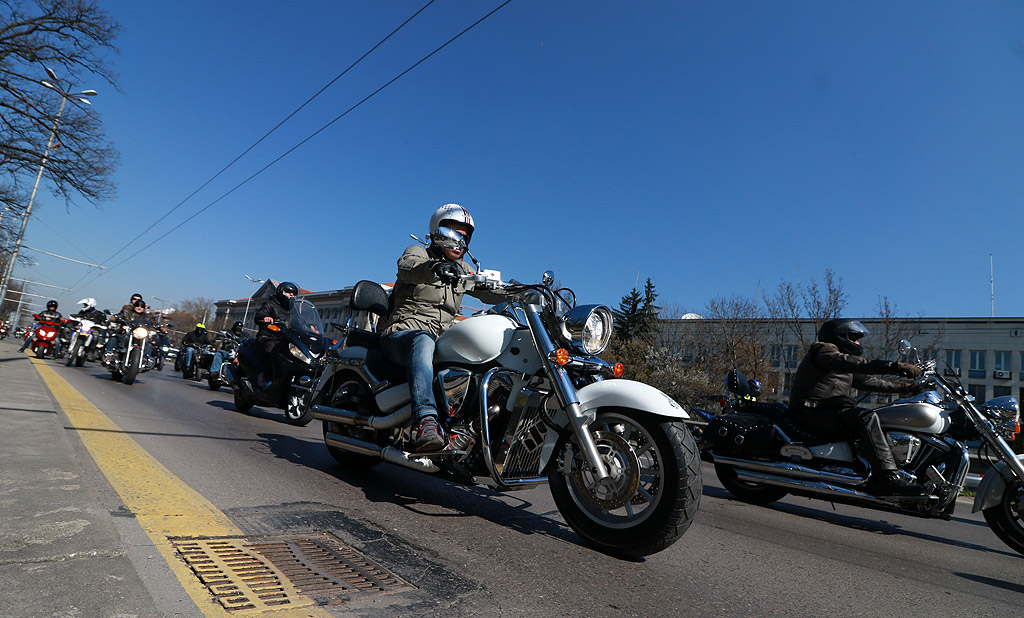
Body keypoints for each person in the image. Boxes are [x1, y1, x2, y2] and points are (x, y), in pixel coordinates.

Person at [379, 203, 505, 452]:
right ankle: (425, 423)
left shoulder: (464, 270)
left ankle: (470, 427)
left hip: (441, 340)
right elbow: (409, 266)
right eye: (454, 234)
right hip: (403, 334)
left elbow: (492, 291)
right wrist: (434, 268)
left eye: (465, 237)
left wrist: (522, 293)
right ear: (438, 233)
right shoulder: (419, 253)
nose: (460, 241)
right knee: (423, 340)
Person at [788, 318, 924, 495]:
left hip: (823, 412)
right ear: (839, 337)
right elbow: (855, 363)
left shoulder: (841, 365)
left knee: (875, 416)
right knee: (865, 417)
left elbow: (871, 382)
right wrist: (894, 366)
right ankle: (887, 478)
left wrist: (907, 388)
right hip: (809, 413)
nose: (858, 343)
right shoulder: (824, 351)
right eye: (854, 338)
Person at [254, 281, 298, 387]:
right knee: (270, 347)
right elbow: (260, 314)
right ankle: (267, 378)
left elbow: (298, 321)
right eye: (289, 292)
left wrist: (309, 327)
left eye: (294, 294)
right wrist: (265, 317)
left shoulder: (292, 309)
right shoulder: (270, 304)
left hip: (283, 338)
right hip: (268, 336)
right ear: (281, 291)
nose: (292, 295)